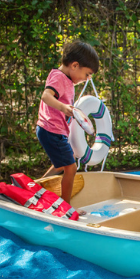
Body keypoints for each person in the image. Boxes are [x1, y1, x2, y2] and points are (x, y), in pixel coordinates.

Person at [36, 41, 99, 208]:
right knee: (70, 168)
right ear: (75, 65)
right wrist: (64, 107)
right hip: (51, 130)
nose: (87, 79)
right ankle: (66, 206)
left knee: (60, 165)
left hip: (53, 130)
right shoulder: (59, 77)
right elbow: (46, 96)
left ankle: (35, 188)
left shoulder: (65, 79)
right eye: (87, 74)